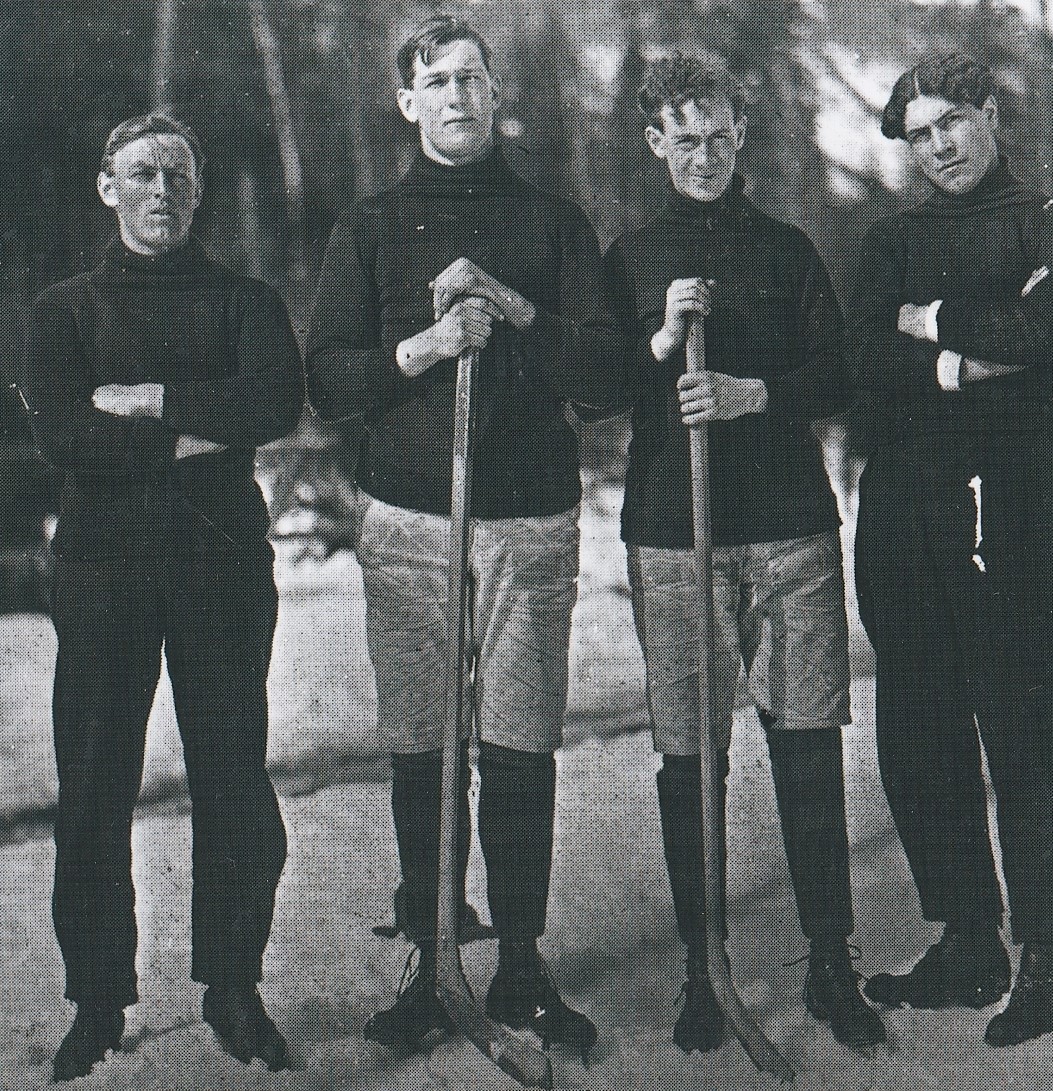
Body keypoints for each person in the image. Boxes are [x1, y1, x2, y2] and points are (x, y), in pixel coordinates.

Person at [305, 15, 621, 1060]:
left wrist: (510, 306)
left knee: (519, 742)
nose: (454, 96)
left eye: (471, 79)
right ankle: (432, 956)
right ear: (406, 102)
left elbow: (605, 375)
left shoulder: (553, 221)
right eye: (433, 81)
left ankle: (519, 959)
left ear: (496, 95)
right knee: (422, 746)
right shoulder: (370, 224)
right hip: (408, 520)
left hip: (528, 517)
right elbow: (327, 378)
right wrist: (428, 343)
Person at [604, 54, 885, 1053]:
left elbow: (837, 370)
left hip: (786, 531)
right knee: (691, 756)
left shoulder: (785, 249)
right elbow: (597, 382)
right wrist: (660, 337)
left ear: (740, 135)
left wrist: (749, 390)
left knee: (805, 743)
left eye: (720, 136)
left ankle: (829, 963)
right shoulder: (631, 256)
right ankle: (702, 968)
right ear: (654, 142)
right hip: (673, 535)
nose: (705, 155)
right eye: (684, 138)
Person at [22, 114, 304, 1081]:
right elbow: (65, 437)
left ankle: (233, 986)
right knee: (95, 784)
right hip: (103, 573)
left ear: (199, 188)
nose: (161, 193)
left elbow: (271, 402)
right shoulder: (62, 309)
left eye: (178, 176)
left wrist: (146, 401)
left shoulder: (246, 299)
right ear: (107, 186)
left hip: (222, 570)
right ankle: (97, 998)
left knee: (233, 778)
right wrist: (198, 428)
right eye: (141, 174)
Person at [850, 53, 1053, 1047]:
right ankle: (966, 938)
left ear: (990, 113)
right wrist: (969, 356)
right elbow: (862, 360)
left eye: (951, 120)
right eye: (917, 133)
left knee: (1027, 726)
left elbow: (1039, 333)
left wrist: (933, 331)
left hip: (1014, 499)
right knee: (918, 722)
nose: (938, 145)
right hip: (905, 498)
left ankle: (1040, 964)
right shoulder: (889, 237)